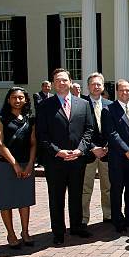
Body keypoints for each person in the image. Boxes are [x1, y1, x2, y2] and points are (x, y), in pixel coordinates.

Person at [36, 68, 94, 245]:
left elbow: (89, 130)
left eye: (64, 80)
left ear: (70, 82)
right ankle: (58, 231)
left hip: (77, 159)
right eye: (57, 80)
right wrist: (57, 151)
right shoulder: (45, 106)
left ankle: (76, 227)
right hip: (55, 161)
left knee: (76, 195)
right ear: (53, 84)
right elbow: (41, 134)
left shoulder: (83, 104)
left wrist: (80, 150)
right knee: (56, 197)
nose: (61, 83)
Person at [0, 87, 37, 249]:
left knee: (24, 200)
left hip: (26, 164)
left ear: (25, 100)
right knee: (6, 201)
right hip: (6, 165)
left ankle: (25, 232)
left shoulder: (29, 119)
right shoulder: (1, 118)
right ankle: (11, 234)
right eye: (13, 97)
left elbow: (33, 143)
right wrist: (15, 164)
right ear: (8, 99)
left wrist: (31, 163)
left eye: (20, 97)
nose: (17, 100)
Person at [103, 79, 129, 233]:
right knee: (117, 190)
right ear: (117, 92)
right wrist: (127, 150)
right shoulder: (109, 110)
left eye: (128, 90)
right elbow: (112, 134)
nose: (125, 93)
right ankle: (118, 220)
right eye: (122, 90)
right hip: (119, 158)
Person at [82, 72, 112, 226]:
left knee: (107, 187)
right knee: (86, 188)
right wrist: (93, 147)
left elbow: (113, 129)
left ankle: (108, 215)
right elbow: (79, 131)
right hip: (89, 153)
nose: (96, 87)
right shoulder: (81, 104)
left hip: (106, 153)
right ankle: (83, 218)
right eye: (93, 84)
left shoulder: (109, 105)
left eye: (98, 84)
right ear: (88, 86)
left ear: (102, 86)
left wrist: (106, 146)